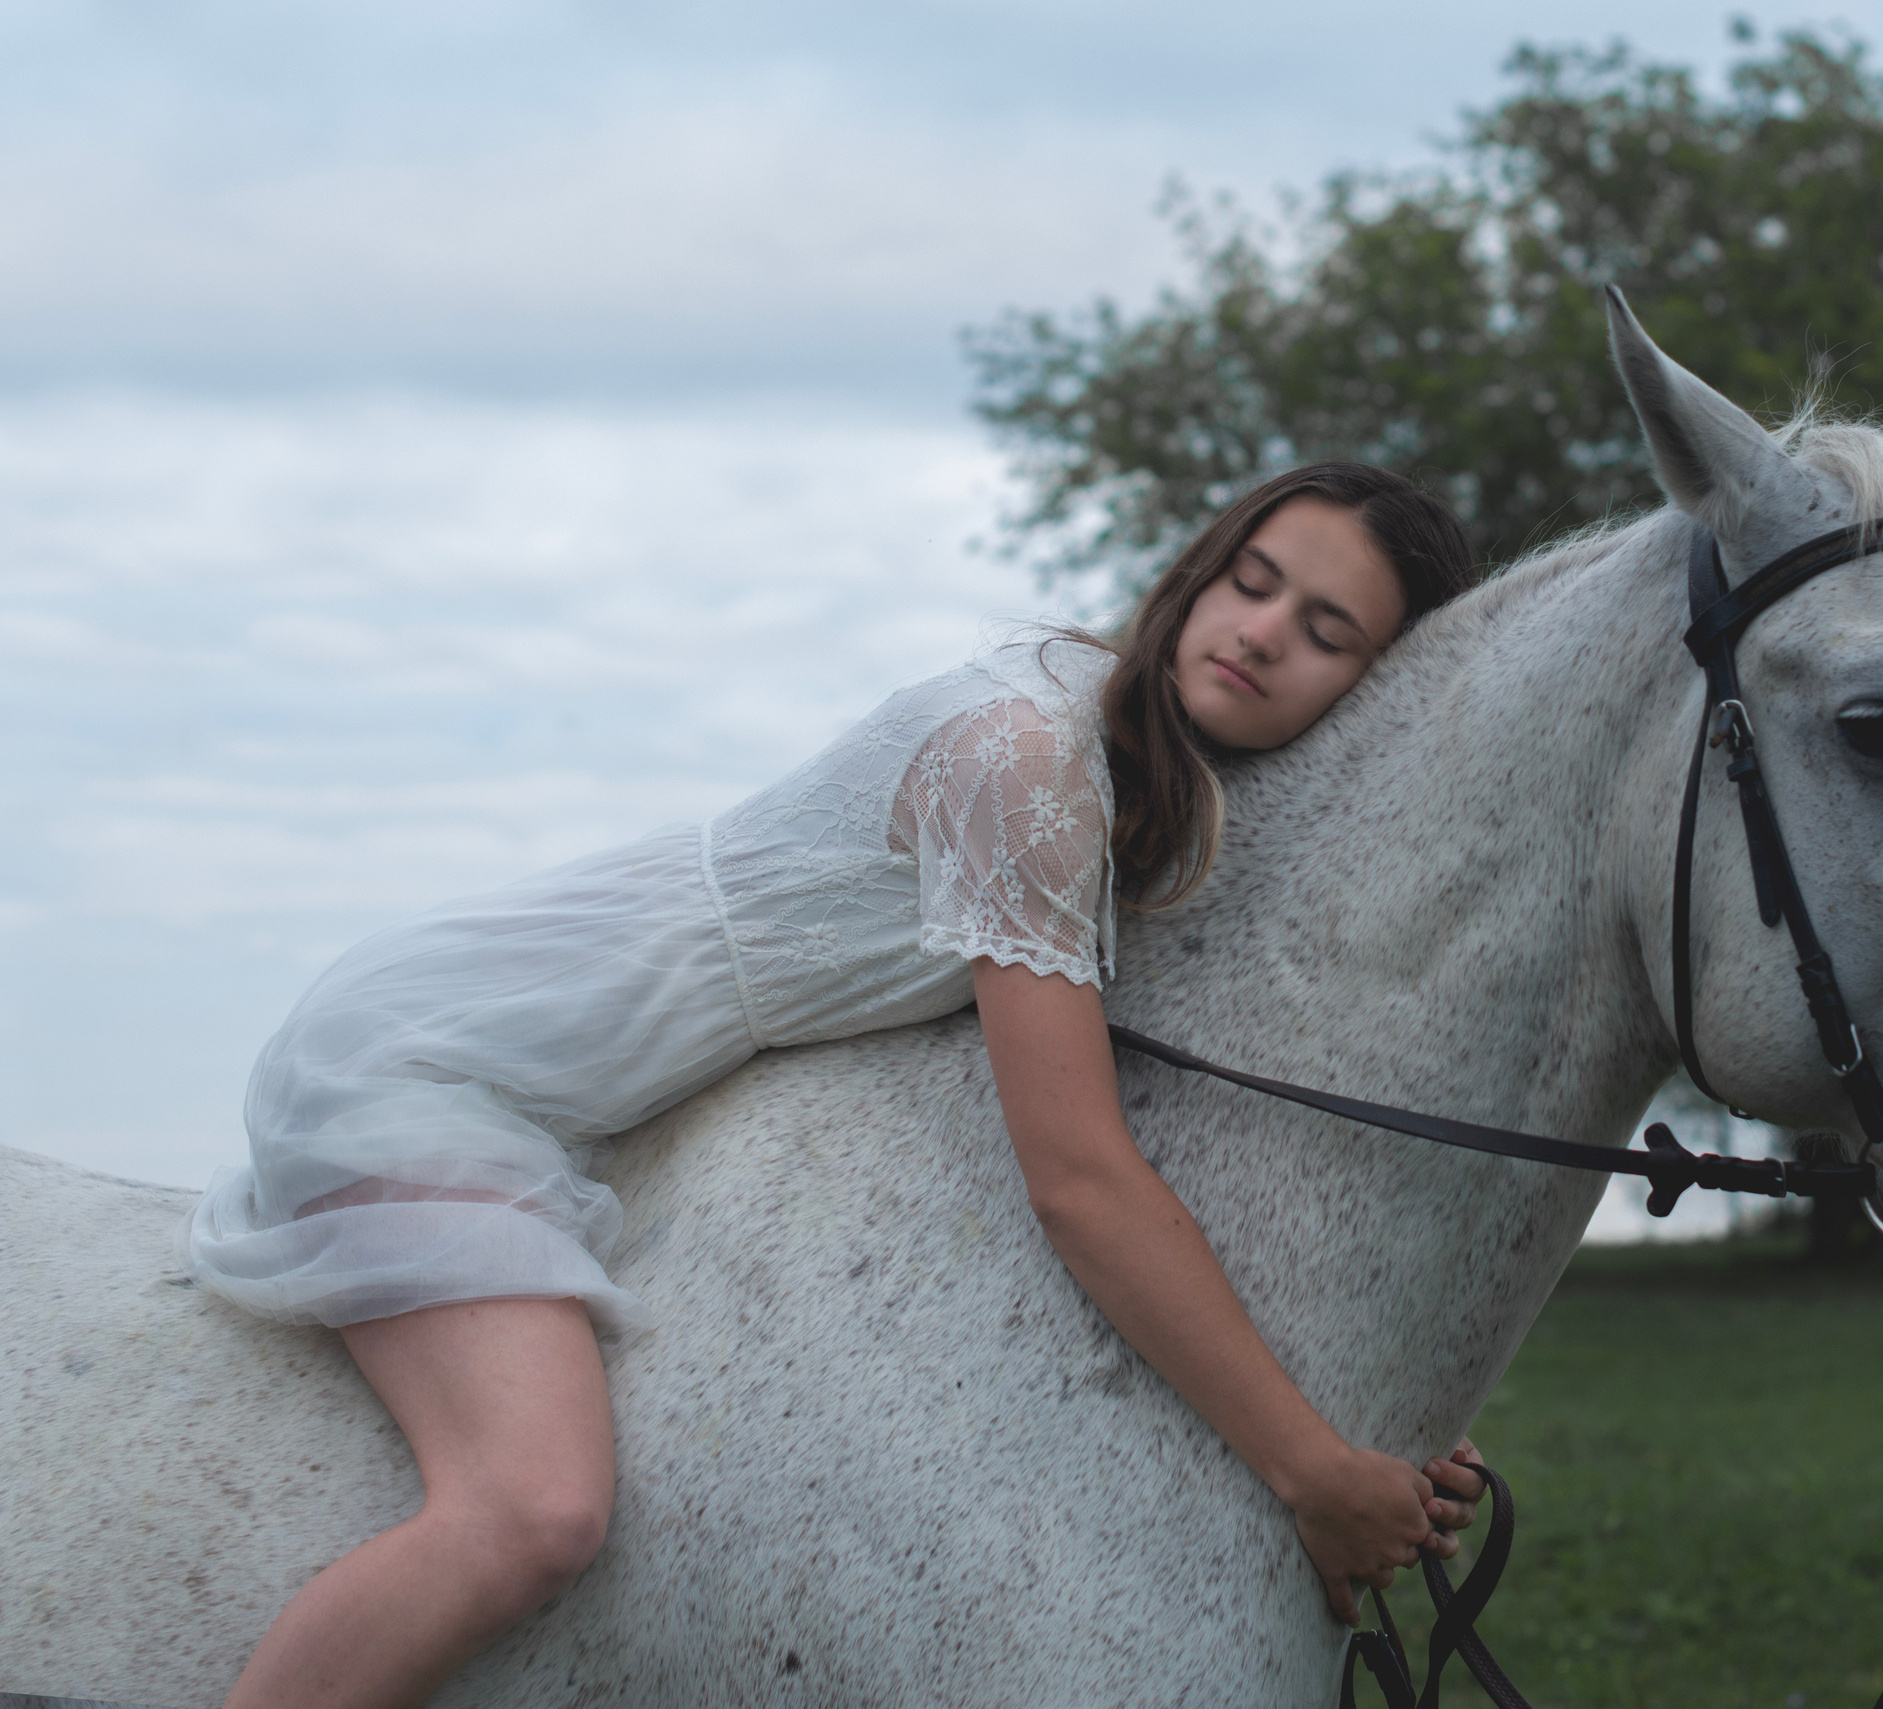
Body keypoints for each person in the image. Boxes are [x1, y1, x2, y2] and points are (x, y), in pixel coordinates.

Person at [184, 461, 1491, 1708]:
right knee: (531, 1510)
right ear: (1200, 572)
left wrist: (1367, 1420)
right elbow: (1083, 1179)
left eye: (1325, 631)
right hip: (431, 1057)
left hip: (549, 1076)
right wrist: (1311, 1469)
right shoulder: (1030, 766)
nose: (1260, 632)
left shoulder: (1139, 772)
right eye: (1251, 581)